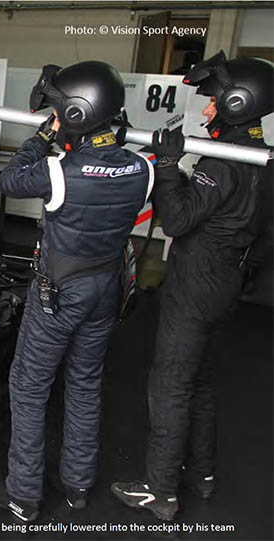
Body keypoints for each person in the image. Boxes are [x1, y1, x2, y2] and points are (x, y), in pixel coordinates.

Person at [0, 61, 153, 522]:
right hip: (105, 289)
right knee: (84, 383)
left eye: (59, 110)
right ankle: (78, 486)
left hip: (58, 292)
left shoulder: (58, 170)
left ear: (76, 114)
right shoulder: (142, 168)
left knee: (29, 386)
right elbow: (109, 159)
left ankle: (23, 496)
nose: (55, 115)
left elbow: (10, 180)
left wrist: (42, 137)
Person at [112, 52, 273, 521]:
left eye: (214, 100)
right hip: (228, 281)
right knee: (200, 381)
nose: (206, 109)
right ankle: (202, 474)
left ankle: (159, 491)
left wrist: (166, 165)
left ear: (239, 102)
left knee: (171, 385)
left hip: (198, 283)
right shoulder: (260, 157)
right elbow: (256, 232)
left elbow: (180, 219)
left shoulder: (222, 163)